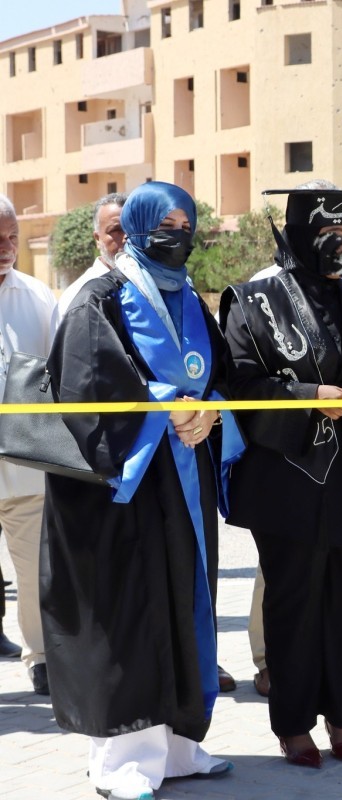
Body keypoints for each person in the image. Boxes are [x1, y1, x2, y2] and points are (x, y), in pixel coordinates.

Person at [42, 181, 242, 799]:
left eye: (187, 225)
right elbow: (84, 391)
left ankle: (179, 745)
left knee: (185, 601)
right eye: (166, 225)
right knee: (133, 612)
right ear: (136, 226)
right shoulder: (98, 299)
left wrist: (210, 411)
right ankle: (123, 760)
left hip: (184, 483)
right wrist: (165, 407)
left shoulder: (190, 300)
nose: (178, 236)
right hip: (126, 489)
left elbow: (221, 376)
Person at [221, 187, 342, 767]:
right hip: (289, 479)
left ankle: (341, 715)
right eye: (330, 236)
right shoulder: (253, 300)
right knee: (294, 603)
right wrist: (309, 397)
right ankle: (293, 724)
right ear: (300, 236)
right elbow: (241, 386)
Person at [0, 195, 57, 691]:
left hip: (24, 465)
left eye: (13, 237)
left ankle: (40, 657)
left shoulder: (39, 298)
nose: (7, 247)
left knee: (36, 569)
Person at [52, 192, 126, 331]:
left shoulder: (150, 286)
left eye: (132, 228)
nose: (126, 237)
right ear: (97, 238)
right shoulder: (78, 297)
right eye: (116, 230)